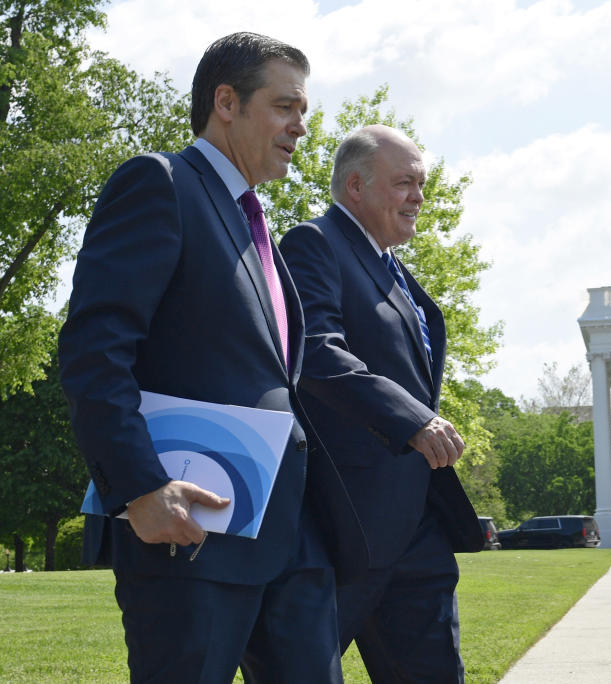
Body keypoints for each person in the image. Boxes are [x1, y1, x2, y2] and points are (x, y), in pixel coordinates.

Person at [58, 32, 366, 684]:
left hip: (290, 535)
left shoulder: (261, 233)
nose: (300, 128)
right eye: (285, 108)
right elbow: (93, 353)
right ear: (226, 102)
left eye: (303, 112)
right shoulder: (160, 184)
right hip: (186, 534)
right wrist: (139, 486)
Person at [279, 124, 484, 683]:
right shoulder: (313, 245)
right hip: (343, 530)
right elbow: (316, 352)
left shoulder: (393, 267)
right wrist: (414, 420)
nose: (419, 197)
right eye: (405, 183)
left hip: (418, 528)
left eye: (422, 184)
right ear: (355, 187)